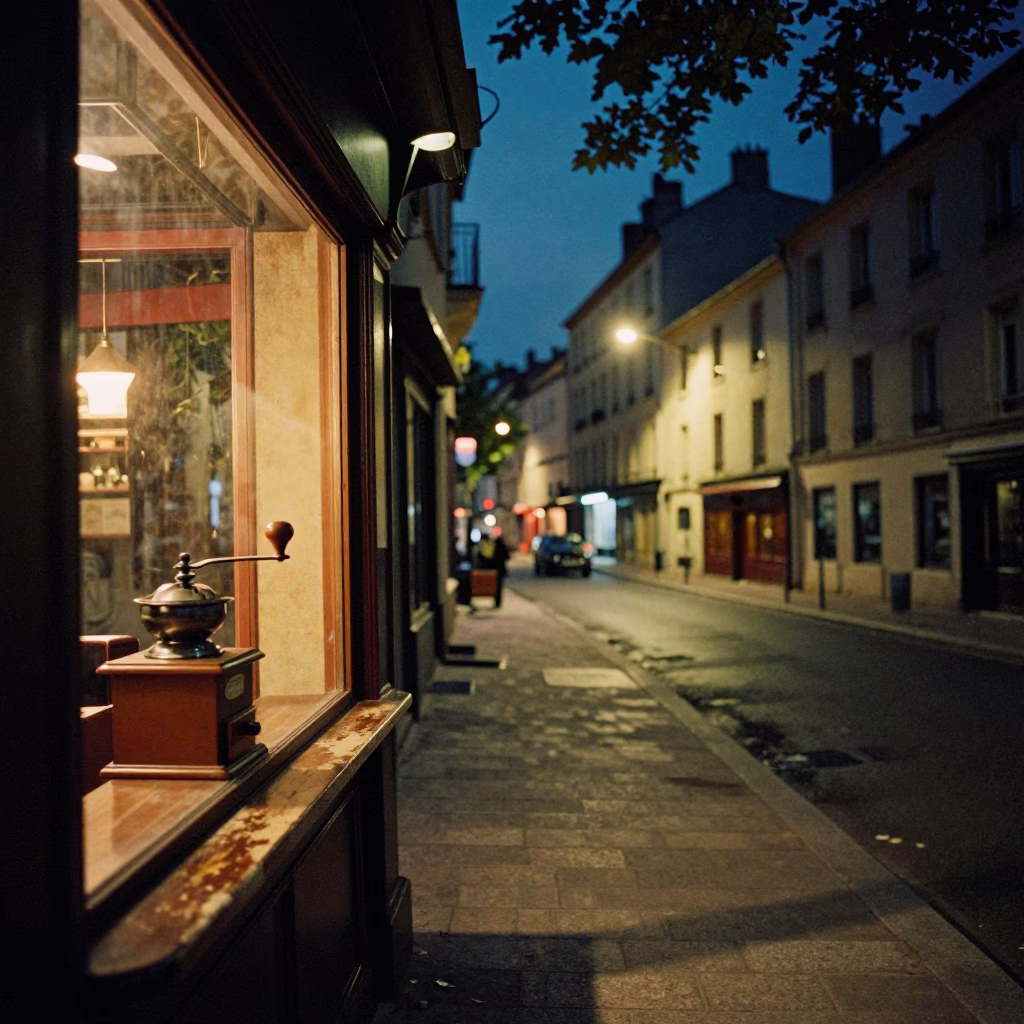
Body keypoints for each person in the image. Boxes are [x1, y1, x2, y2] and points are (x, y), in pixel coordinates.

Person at [475, 530, 512, 607]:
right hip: (500, 569)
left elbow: (486, 557)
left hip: (494, 569)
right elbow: (507, 556)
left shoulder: (492, 546)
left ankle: (496, 600)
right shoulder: (498, 547)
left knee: (495, 585)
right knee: (499, 586)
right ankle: (497, 601)